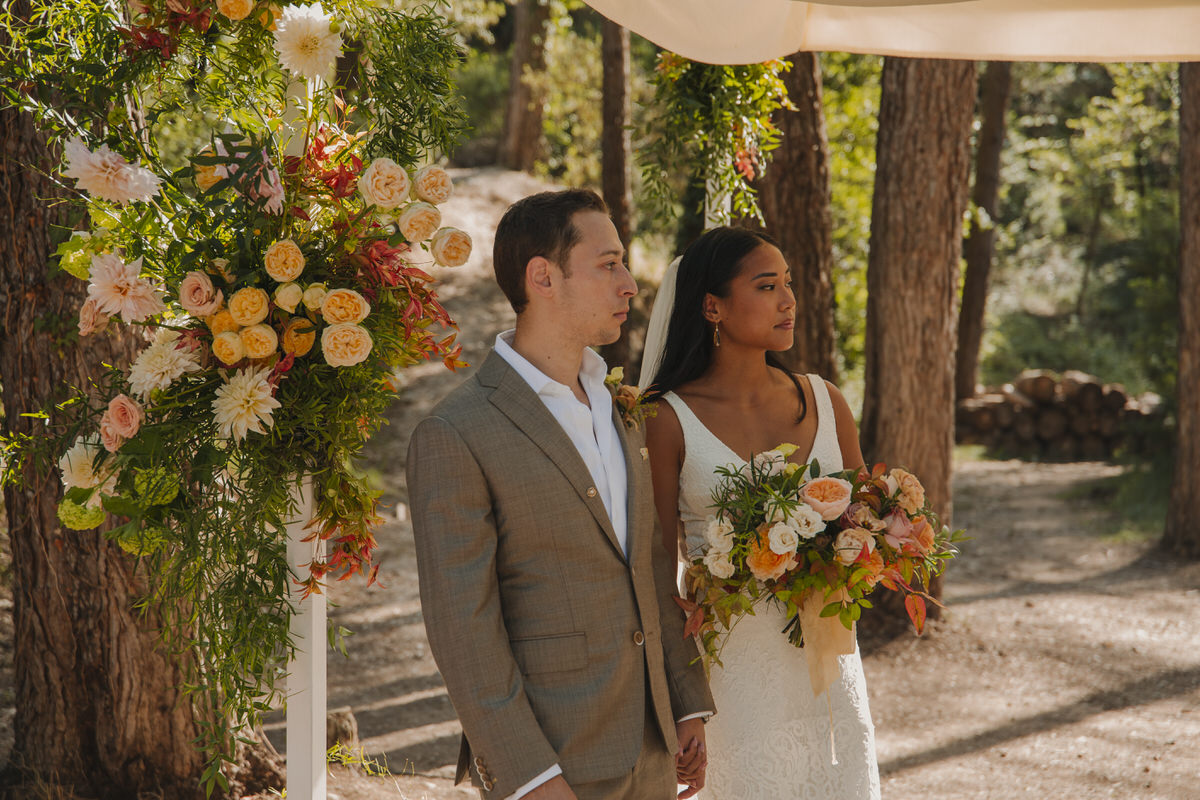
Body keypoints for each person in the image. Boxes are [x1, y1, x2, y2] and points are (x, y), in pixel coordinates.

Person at [407, 189, 715, 800]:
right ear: (543, 277)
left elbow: (652, 569)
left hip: (654, 752)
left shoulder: (622, 411)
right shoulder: (455, 434)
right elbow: (463, 631)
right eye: (608, 264)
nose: (629, 283)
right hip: (556, 765)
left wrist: (686, 705)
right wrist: (530, 777)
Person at [641, 226, 881, 799]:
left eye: (788, 284)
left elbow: (868, 525)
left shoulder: (827, 400)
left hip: (830, 669)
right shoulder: (666, 419)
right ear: (712, 306)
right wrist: (681, 704)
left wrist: (871, 544)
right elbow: (652, 574)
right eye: (767, 285)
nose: (788, 301)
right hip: (733, 679)